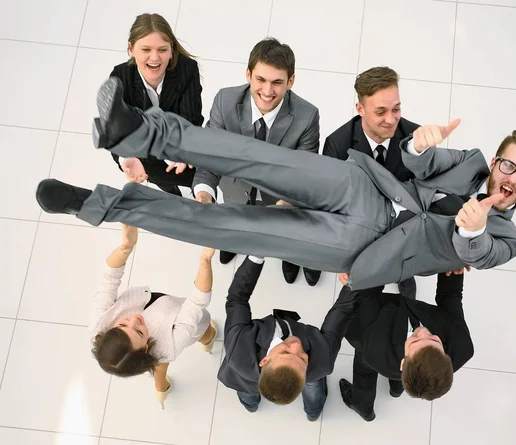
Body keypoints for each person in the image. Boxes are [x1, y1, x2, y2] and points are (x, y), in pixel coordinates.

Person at [36, 77, 516, 290]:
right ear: (499, 158)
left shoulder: (506, 237)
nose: (511, 177)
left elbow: (482, 254)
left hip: (362, 246)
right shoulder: (469, 162)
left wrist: (469, 233)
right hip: (363, 188)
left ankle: (102, 205)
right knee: (259, 157)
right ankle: (139, 130)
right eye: (510, 164)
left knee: (231, 227)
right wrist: (421, 145)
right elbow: (419, 169)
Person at [194, 37, 322, 286]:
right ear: (248, 74)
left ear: (291, 81)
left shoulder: (307, 117)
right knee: (234, 220)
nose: (267, 91)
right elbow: (210, 156)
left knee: (287, 232)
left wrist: (285, 209)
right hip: (234, 190)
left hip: (280, 195)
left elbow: (304, 174)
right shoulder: (224, 101)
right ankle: (233, 239)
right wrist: (204, 195)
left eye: (277, 82)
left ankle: (291, 254)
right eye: (260, 80)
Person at [89, 224, 217, 409]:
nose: (134, 320)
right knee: (203, 330)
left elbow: (109, 278)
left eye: (122, 325)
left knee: (160, 364)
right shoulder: (169, 346)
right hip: (174, 320)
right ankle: (209, 341)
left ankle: (161, 387)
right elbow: (196, 303)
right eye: (139, 332)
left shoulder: (99, 322)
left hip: (154, 306)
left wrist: (125, 247)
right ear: (147, 347)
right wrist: (205, 260)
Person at [216, 254, 356, 421]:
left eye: (285, 353)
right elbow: (343, 312)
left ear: (265, 361)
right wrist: (352, 284)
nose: (297, 345)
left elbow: (237, 299)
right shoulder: (323, 361)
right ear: (305, 374)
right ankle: (313, 412)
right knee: (314, 387)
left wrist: (256, 257)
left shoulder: (238, 346)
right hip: (251, 378)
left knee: (247, 390)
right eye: (303, 359)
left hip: (242, 377)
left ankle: (251, 405)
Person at [323, 66, 420, 299]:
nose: (391, 120)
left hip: (401, 222)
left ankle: (404, 274)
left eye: (396, 109)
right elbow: (329, 203)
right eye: (381, 112)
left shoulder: (414, 138)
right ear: (360, 109)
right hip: (360, 221)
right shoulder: (337, 144)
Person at [336, 270, 473, 421]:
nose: (422, 331)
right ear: (446, 356)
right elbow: (450, 297)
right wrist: (454, 267)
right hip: (397, 325)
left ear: (403, 363)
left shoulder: (374, 344)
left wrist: (359, 276)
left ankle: (363, 407)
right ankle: (396, 389)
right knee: (408, 374)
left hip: (378, 334)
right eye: (434, 339)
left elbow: (368, 295)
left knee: (364, 372)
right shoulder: (462, 344)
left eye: (415, 340)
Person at [108, 13, 204, 196]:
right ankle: (171, 192)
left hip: (180, 146)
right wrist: (125, 158)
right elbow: (115, 130)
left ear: (171, 50)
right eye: (146, 50)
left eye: (162, 50)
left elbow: (191, 118)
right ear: (131, 49)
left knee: (201, 172)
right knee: (152, 170)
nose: (154, 58)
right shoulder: (120, 77)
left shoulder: (187, 69)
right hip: (145, 154)